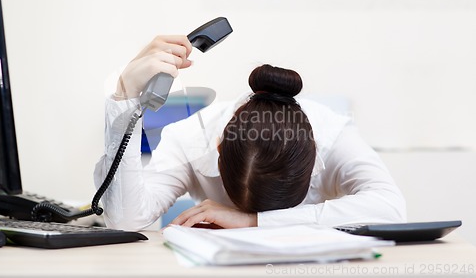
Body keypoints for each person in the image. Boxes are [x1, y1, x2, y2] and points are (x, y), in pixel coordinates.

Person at [94, 35, 407, 231]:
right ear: (218, 148)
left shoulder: (332, 134)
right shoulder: (190, 138)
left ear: (313, 158)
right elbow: (127, 219)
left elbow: (390, 208)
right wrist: (124, 98)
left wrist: (253, 221)